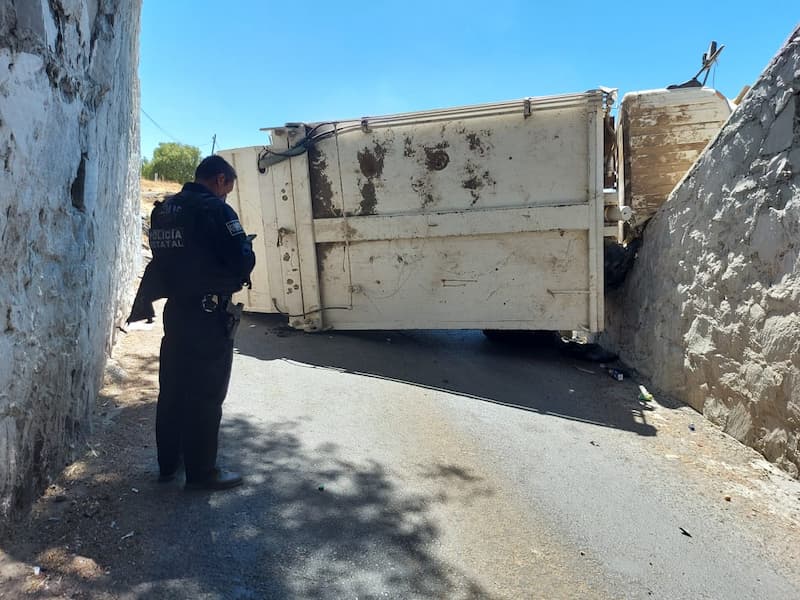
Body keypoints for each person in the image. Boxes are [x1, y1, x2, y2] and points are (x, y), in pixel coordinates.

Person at [128, 155, 256, 491]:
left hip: (177, 311)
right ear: (218, 179)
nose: (226, 195)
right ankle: (202, 473)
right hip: (209, 314)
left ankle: (169, 464)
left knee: (173, 387)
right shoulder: (216, 210)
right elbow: (242, 257)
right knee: (206, 392)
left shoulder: (163, 210)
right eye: (227, 188)